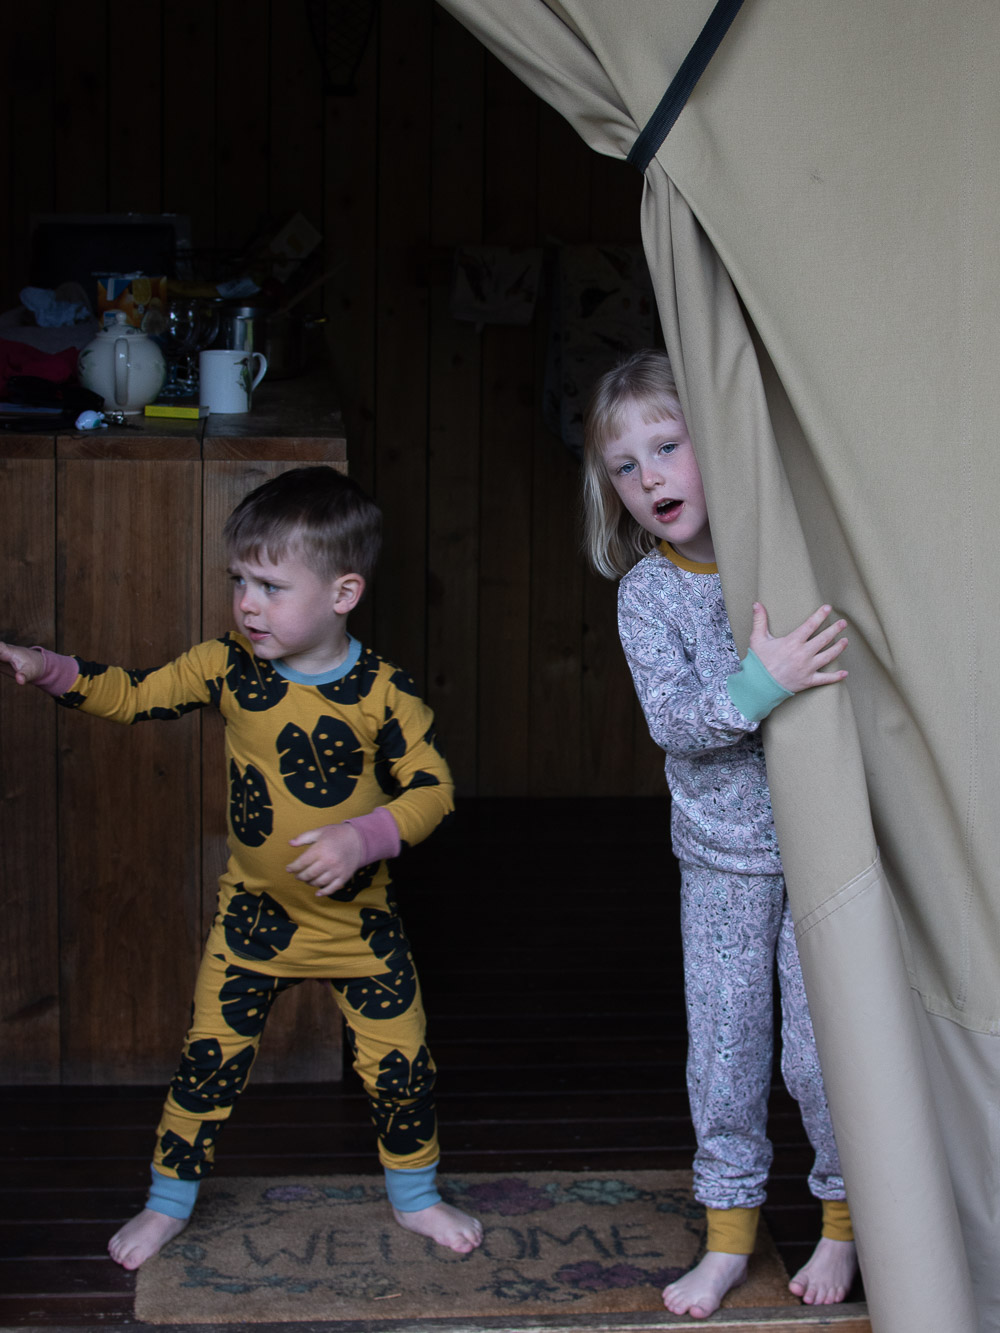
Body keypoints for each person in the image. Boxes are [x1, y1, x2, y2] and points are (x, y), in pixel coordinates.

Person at [0, 466, 483, 1270]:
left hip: (358, 927)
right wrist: (50, 668)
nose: (247, 602)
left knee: (401, 1065)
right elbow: (134, 693)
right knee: (207, 1063)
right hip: (253, 919)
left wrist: (367, 836)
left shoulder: (385, 694)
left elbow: (434, 791)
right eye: (239, 581)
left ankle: (417, 1196)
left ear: (343, 592)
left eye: (269, 584)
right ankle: (166, 1201)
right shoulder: (226, 666)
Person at [582, 350, 858, 1320]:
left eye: (668, 446)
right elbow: (676, 720)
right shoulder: (647, 596)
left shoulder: (784, 555)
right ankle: (729, 1236)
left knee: (820, 1055)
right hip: (720, 859)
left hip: (827, 846)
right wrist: (761, 680)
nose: (649, 476)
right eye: (625, 465)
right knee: (725, 1049)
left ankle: (840, 1222)